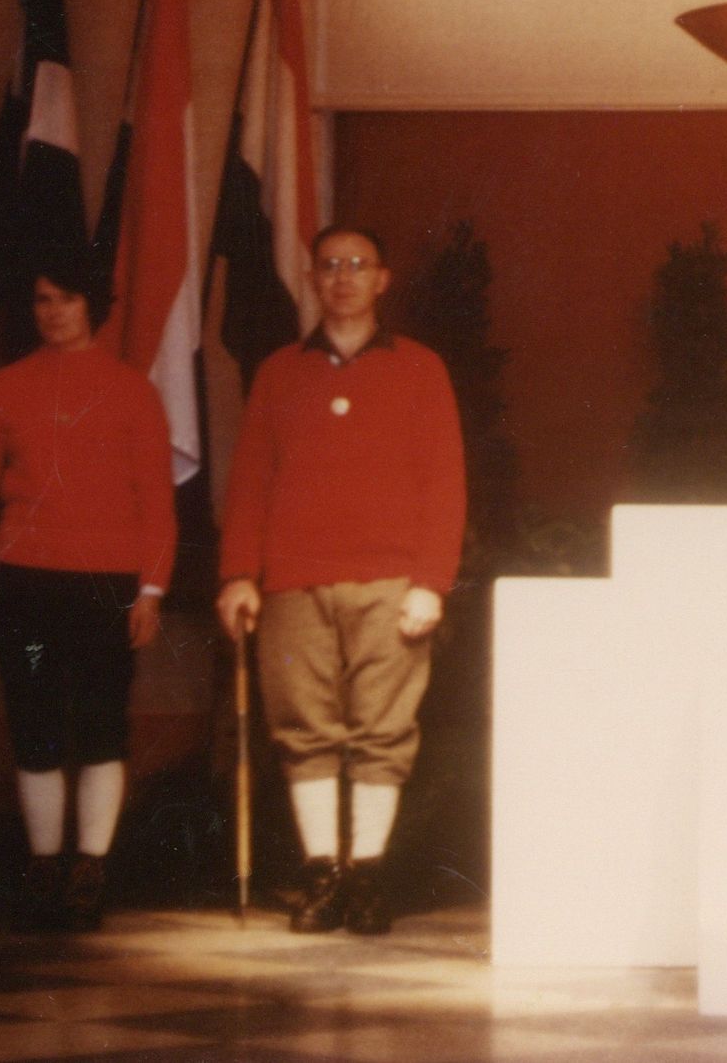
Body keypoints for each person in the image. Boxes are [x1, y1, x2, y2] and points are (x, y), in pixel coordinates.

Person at [216, 223, 466, 936]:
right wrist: (239, 573)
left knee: (384, 731)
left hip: (391, 580)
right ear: (313, 279)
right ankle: (323, 871)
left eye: (358, 264)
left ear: (382, 278)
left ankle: (367, 875)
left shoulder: (421, 369)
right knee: (305, 730)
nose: (344, 277)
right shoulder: (278, 373)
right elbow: (250, 484)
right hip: (293, 582)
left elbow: (445, 481)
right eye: (329, 265)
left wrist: (431, 581)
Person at [0, 251, 175, 930]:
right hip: (26, 582)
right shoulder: (1, 388)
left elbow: (156, 502)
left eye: (67, 299)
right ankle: (44, 862)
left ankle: (91, 864)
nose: (54, 312)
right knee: (36, 724)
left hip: (109, 583)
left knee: (103, 723)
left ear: (92, 306)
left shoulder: (133, 388)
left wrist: (152, 590)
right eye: (43, 299)